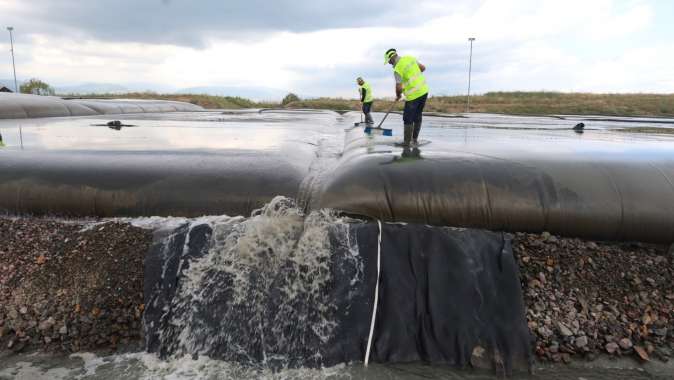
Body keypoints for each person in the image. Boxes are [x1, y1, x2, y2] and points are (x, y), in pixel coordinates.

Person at [385, 48, 429, 146]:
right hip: (424, 90)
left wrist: (398, 95)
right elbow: (423, 68)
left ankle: (407, 142)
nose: (390, 64)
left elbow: (399, 87)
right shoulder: (409, 58)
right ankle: (414, 140)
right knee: (417, 115)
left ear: (391, 58)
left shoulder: (397, 69)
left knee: (408, 118)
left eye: (389, 62)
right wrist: (413, 76)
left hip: (413, 95)